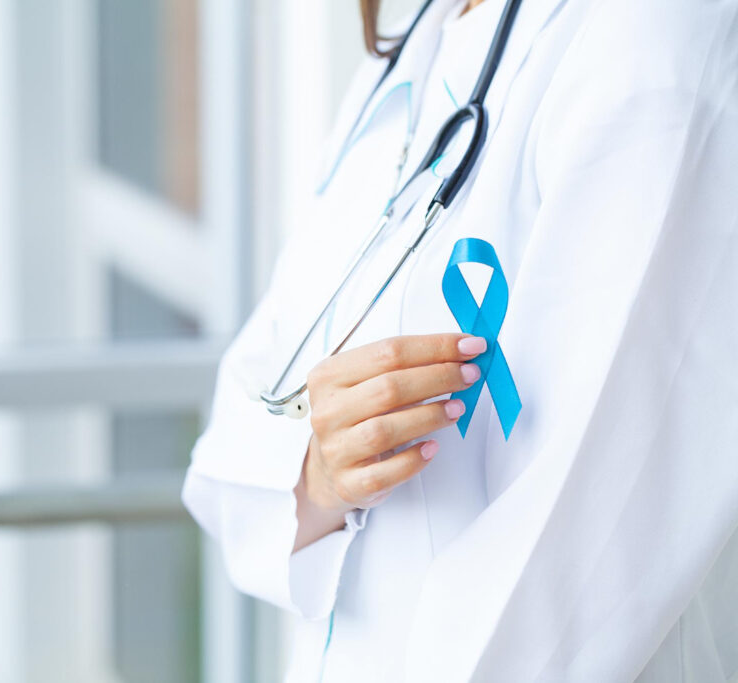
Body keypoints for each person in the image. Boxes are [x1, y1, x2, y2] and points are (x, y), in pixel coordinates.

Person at [182, 0, 738, 680]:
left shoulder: (659, 43)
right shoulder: (423, 32)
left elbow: (563, 577)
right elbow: (242, 412)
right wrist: (315, 472)